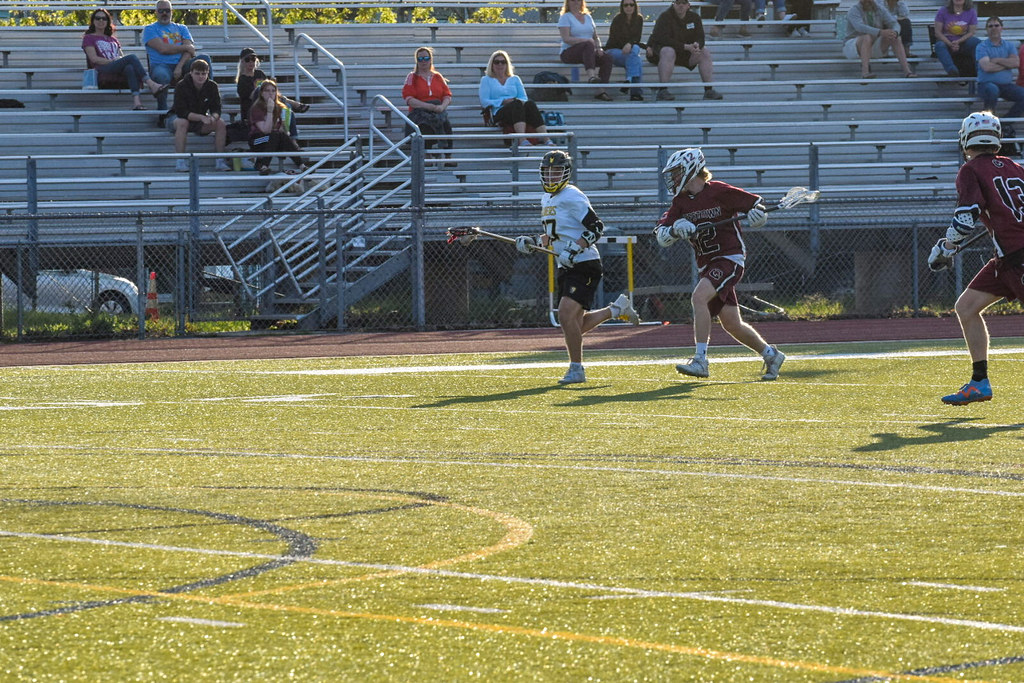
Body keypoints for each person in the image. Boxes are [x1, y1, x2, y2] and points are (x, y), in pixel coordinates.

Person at [652, 147, 785, 381]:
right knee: (732, 323)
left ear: (692, 169)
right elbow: (661, 235)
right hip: (708, 265)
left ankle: (700, 360)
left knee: (698, 296)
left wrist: (758, 215)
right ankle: (771, 354)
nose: (673, 178)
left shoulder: (719, 191)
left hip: (729, 258)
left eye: (677, 172)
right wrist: (675, 229)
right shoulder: (680, 202)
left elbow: (755, 205)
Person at [514, 150, 640, 385]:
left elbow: (596, 227)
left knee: (564, 316)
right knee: (574, 324)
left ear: (566, 173)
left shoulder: (572, 195)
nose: (551, 177)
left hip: (584, 264)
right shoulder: (546, 199)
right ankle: (615, 310)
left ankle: (576, 369)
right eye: (548, 172)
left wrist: (575, 248)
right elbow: (553, 235)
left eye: (556, 172)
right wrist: (533, 242)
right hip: (566, 266)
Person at [927, 112, 1024, 405]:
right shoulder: (1016, 167)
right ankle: (979, 382)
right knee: (966, 307)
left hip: (1018, 256)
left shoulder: (970, 170)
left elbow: (966, 217)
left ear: (965, 139)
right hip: (1006, 258)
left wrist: (946, 247)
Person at [82, 7, 168, 110]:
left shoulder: (112, 39)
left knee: (129, 67)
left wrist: (118, 60)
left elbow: (121, 56)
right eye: (98, 18)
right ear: (93, 21)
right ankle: (151, 84)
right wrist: (113, 61)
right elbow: (94, 59)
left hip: (116, 67)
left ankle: (137, 102)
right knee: (131, 57)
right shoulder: (89, 38)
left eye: (104, 18)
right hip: (102, 69)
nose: (101, 21)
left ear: (108, 21)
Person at [645, 0, 723, 101]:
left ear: (688, 5)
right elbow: (662, 39)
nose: (681, 5)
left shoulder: (694, 18)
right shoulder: (665, 17)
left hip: (684, 53)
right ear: (673, 5)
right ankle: (663, 90)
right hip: (661, 53)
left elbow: (700, 37)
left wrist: (697, 45)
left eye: (683, 3)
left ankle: (708, 90)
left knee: (704, 52)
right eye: (678, 3)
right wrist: (685, 47)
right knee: (668, 51)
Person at [143, 0, 212, 111]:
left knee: (204, 59)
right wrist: (185, 47)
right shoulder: (150, 29)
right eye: (161, 11)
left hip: (183, 64)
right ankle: (163, 112)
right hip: (161, 66)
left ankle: (208, 103)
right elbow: (163, 49)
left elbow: (190, 51)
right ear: (156, 12)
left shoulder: (182, 28)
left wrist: (179, 66)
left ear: (172, 12)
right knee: (161, 76)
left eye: (167, 10)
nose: (164, 13)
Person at [478, 50, 553, 146]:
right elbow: (484, 101)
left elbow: (523, 97)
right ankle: (522, 139)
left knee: (529, 104)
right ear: (492, 64)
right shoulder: (486, 80)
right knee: (516, 104)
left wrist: (517, 102)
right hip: (499, 111)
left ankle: (546, 139)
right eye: (497, 62)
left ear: (507, 64)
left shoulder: (515, 79)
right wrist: (502, 101)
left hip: (517, 108)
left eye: (503, 62)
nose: (500, 65)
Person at [170, 59, 229, 172]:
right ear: (191, 73)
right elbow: (181, 111)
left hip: (199, 120)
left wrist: (213, 117)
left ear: (208, 73)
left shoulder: (212, 86)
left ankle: (220, 161)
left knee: (220, 122)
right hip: (176, 118)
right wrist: (202, 117)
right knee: (183, 122)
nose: (200, 76)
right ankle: (180, 161)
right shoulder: (181, 85)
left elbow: (217, 108)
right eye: (197, 73)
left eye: (204, 73)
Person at [235, 47, 308, 138]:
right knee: (263, 90)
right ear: (242, 62)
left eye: (253, 59)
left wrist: (270, 85)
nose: (251, 62)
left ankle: (292, 139)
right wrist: (264, 87)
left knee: (287, 109)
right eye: (247, 59)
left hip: (268, 104)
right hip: (254, 108)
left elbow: (269, 92)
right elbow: (254, 96)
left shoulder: (259, 73)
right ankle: (294, 104)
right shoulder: (242, 80)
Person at [401, 46, 454, 160]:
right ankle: (426, 154)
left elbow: (447, 94)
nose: (423, 61)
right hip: (419, 110)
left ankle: (448, 156)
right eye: (420, 59)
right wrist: (428, 106)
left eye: (426, 58)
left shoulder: (438, 76)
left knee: (446, 125)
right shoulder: (412, 77)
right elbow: (409, 98)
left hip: (437, 109)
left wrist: (442, 106)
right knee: (424, 126)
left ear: (430, 59)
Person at [249, 79, 309, 175]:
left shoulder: (280, 107)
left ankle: (301, 165)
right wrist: (269, 111)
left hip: (273, 140)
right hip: (257, 140)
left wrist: (285, 127)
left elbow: (283, 130)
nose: (270, 93)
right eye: (267, 91)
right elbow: (265, 130)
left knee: (280, 135)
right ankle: (264, 166)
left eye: (273, 91)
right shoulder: (256, 108)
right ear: (261, 93)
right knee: (275, 135)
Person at [843, 0, 916, 79]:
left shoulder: (880, 9)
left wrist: (895, 32)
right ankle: (865, 72)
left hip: (873, 45)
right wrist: (880, 32)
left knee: (895, 37)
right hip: (852, 47)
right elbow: (860, 28)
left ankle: (907, 71)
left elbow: (894, 23)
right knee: (866, 37)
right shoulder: (854, 10)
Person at [558, 0, 614, 101]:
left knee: (607, 58)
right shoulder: (565, 17)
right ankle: (591, 76)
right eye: (573, 0)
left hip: (588, 52)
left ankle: (600, 91)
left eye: (578, 0)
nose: (576, 2)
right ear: (568, 2)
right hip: (570, 52)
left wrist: (599, 48)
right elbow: (566, 38)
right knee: (588, 44)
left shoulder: (588, 17)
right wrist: (585, 41)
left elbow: (595, 37)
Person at [976, 17, 1024, 121]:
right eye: (990, 26)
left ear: (1002, 28)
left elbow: (1016, 63)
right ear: (986, 29)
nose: (994, 28)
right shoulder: (981, 47)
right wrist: (1007, 64)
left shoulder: (1009, 46)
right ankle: (987, 121)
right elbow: (987, 67)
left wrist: (996, 60)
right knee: (993, 90)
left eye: (996, 25)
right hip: (986, 85)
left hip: (1006, 86)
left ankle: (1005, 122)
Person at [605, 0, 646, 101]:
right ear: (622, 7)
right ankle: (635, 93)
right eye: (626, 5)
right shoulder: (617, 19)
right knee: (635, 56)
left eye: (631, 5)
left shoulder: (639, 19)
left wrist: (630, 44)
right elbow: (615, 39)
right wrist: (630, 44)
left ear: (635, 6)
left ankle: (628, 80)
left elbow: (637, 38)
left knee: (636, 57)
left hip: (629, 53)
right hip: (614, 51)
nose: (629, 7)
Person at [933, 0, 979, 78]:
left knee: (976, 43)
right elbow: (937, 32)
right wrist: (950, 44)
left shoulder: (971, 12)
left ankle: (979, 70)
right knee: (939, 45)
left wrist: (958, 42)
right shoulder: (943, 11)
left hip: (963, 43)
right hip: (947, 43)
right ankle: (952, 71)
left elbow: (971, 32)